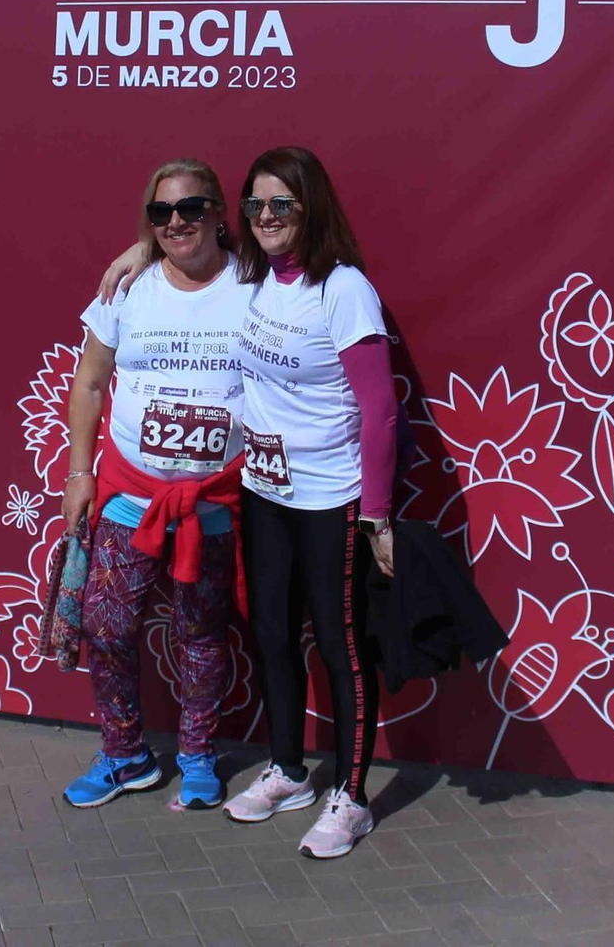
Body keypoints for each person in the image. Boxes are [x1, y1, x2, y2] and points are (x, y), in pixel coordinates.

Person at [99, 146, 398, 859]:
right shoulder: (256, 277)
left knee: (339, 645)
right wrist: (139, 248)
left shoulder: (342, 287)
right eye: (255, 205)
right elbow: (183, 243)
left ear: (310, 209)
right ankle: (289, 770)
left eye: (281, 205)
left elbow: (380, 408)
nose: (265, 217)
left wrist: (380, 514)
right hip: (263, 492)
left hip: (332, 498)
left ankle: (350, 797)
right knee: (269, 632)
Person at [59, 159, 249, 812]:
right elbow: (88, 383)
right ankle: (124, 753)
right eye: (160, 213)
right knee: (107, 628)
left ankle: (197, 754)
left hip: (213, 501)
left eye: (191, 208)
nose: (176, 223)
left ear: (220, 211)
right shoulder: (126, 287)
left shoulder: (255, 283)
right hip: (129, 494)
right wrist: (79, 472)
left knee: (201, 634)